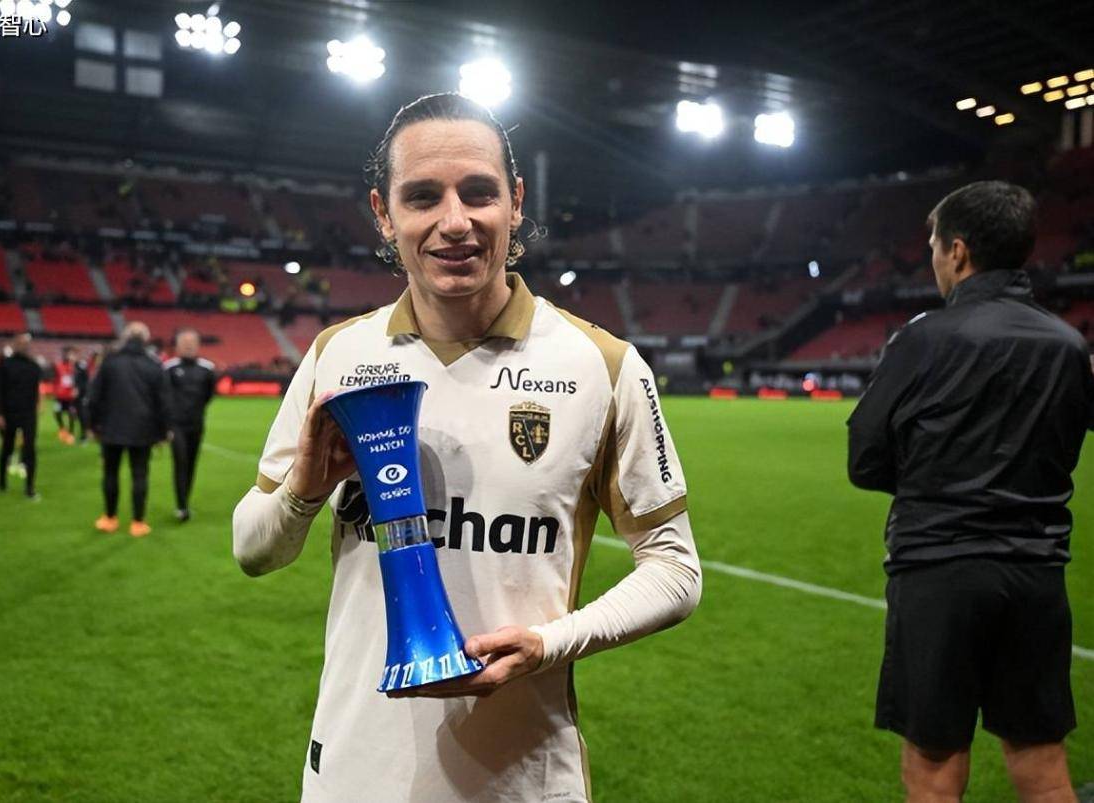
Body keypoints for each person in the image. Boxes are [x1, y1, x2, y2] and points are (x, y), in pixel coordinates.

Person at [232, 93, 702, 802]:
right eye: (423, 197)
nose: (454, 222)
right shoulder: (338, 356)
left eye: (478, 192)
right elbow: (252, 549)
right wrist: (302, 491)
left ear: (515, 202)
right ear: (383, 214)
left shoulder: (601, 366)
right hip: (354, 773)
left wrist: (547, 644)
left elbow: (674, 569)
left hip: (522, 780)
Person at [847, 181, 1093, 803]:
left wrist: (937, 480)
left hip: (939, 572)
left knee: (934, 770)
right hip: (1037, 576)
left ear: (957, 251)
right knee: (1043, 766)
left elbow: (865, 459)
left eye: (933, 245)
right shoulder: (1069, 346)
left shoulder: (924, 337)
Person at [86, 321, 170, 537]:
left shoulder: (110, 362)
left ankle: (109, 518)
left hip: (111, 428)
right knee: (140, 474)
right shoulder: (153, 364)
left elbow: (94, 396)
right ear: (146, 339)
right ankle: (138, 522)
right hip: (143, 430)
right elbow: (163, 402)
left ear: (125, 338)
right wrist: (163, 432)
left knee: (110, 473)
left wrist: (92, 425)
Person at [163, 329, 216, 522]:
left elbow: (209, 395)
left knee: (191, 464)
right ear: (177, 346)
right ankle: (181, 506)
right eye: (184, 343)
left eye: (191, 342)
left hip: (196, 423)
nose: (188, 346)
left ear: (198, 345)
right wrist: (167, 424)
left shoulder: (207, 369)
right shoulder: (169, 368)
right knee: (180, 461)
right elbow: (164, 396)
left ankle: (185, 500)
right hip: (176, 425)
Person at [0, 332, 43, 500]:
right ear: (15, 344)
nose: (24, 346)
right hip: (9, 412)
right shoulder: (5, 365)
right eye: (21, 343)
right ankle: (1, 482)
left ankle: (30, 488)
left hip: (28, 413)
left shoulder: (33, 366)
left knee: (30, 450)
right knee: (7, 448)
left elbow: (36, 389)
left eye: (26, 343)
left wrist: (39, 404)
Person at [53, 346, 80, 445]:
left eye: (71, 354)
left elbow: (79, 379)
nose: (69, 356)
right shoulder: (58, 366)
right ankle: (62, 429)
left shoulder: (75, 367)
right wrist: (55, 389)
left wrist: (76, 388)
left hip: (70, 396)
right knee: (57, 413)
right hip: (59, 396)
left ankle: (71, 433)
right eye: (68, 354)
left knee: (71, 414)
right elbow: (54, 378)